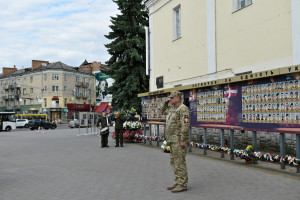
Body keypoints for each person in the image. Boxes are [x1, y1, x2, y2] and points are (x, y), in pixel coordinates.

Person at [161, 90, 190, 193]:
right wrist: (166, 102)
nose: (170, 99)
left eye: (172, 98)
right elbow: (162, 111)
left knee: (180, 162)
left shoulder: (183, 109)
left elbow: (185, 125)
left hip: (179, 140)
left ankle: (182, 184)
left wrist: (183, 140)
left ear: (178, 98)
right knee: (174, 162)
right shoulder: (172, 109)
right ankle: (178, 181)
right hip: (172, 140)